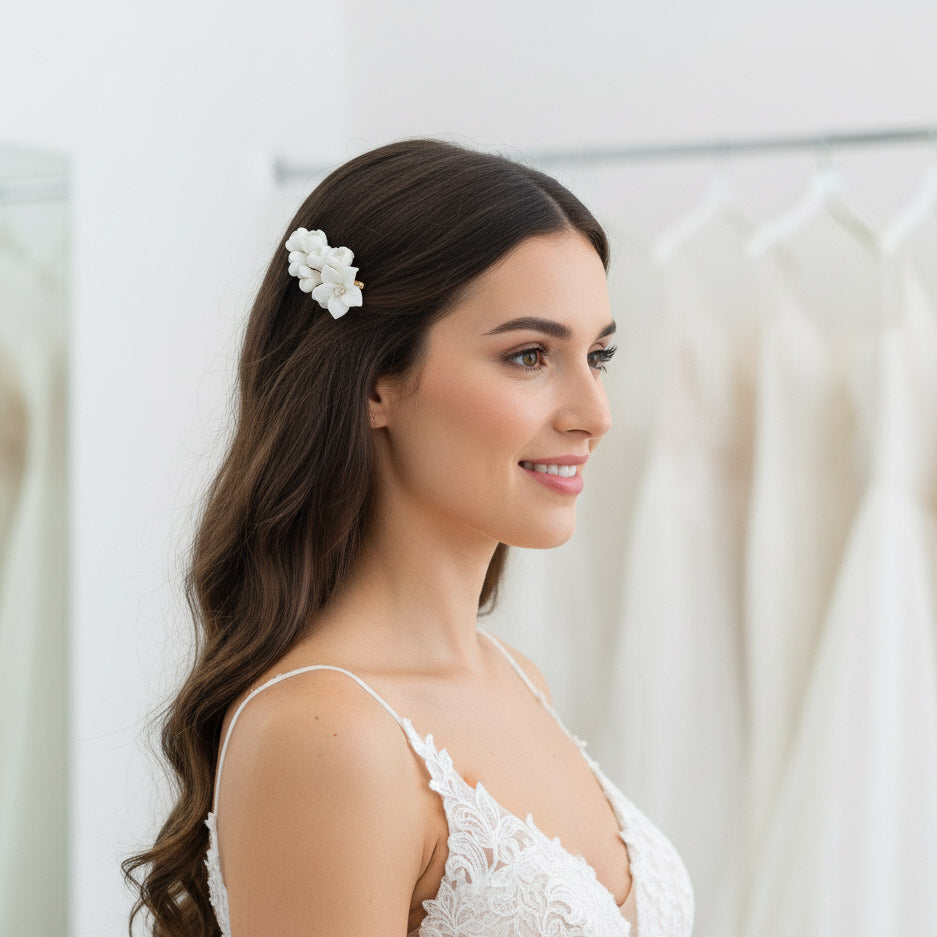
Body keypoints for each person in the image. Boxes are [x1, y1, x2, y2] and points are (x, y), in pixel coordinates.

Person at [122, 137, 694, 937]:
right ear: (375, 381)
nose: (593, 413)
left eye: (596, 354)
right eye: (529, 355)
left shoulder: (515, 679)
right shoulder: (326, 734)